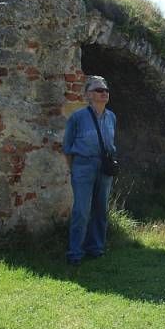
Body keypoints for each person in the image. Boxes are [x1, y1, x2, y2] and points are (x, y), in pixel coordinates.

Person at [63, 75, 116, 265]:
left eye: (106, 90)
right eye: (99, 90)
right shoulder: (78, 117)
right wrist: (74, 169)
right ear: (88, 95)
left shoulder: (111, 117)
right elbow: (67, 146)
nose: (104, 93)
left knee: (101, 209)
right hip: (83, 166)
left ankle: (96, 248)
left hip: (104, 167)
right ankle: (75, 253)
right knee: (81, 210)